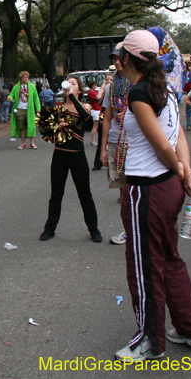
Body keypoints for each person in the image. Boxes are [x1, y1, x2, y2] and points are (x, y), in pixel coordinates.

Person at [112, 30, 191, 361]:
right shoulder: (163, 86)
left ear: (126, 59)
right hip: (167, 186)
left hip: (147, 190)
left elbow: (163, 143)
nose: (117, 61)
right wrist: (186, 170)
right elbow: (178, 131)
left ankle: (150, 339)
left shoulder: (139, 92)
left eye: (119, 55)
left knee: (145, 266)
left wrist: (183, 170)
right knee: (169, 259)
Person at [39, 76, 102, 243]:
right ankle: (49, 229)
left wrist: (71, 96)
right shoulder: (59, 109)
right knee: (56, 194)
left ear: (79, 90)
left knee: (85, 194)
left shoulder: (86, 106)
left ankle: (94, 230)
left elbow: (85, 117)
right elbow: (48, 134)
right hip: (59, 155)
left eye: (74, 84)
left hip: (77, 156)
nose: (70, 85)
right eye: (69, 83)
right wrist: (55, 127)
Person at [101, 53, 131, 245]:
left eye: (121, 58)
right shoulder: (112, 88)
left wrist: (130, 111)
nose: (118, 62)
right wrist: (103, 148)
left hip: (136, 142)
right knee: (122, 190)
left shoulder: (138, 85)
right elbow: (107, 118)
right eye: (114, 59)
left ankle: (140, 229)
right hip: (115, 141)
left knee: (138, 189)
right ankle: (127, 230)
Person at [9, 71, 41, 150]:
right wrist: (9, 98)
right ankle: (23, 143)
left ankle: (32, 143)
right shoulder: (16, 87)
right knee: (21, 127)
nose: (26, 79)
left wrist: (38, 110)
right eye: (25, 77)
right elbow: (11, 95)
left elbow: (36, 98)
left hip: (30, 110)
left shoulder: (32, 87)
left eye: (27, 77)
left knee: (31, 126)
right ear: (21, 78)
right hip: (19, 109)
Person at [86, 80, 101, 145]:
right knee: (95, 126)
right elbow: (98, 97)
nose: (96, 86)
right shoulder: (90, 92)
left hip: (98, 109)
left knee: (98, 126)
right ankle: (92, 140)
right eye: (94, 85)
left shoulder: (94, 91)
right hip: (95, 110)